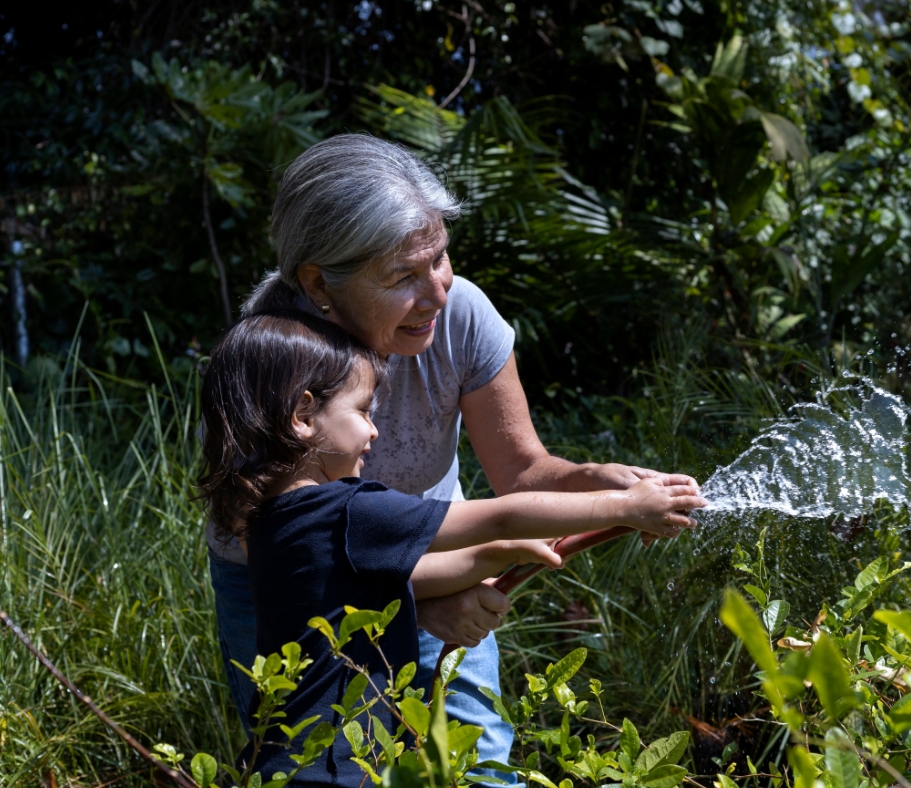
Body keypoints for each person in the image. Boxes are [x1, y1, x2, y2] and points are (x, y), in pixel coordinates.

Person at [208, 133, 699, 781]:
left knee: (477, 766)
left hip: (438, 565)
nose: (438, 292)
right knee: (325, 762)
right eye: (404, 277)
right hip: (295, 603)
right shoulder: (267, 363)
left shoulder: (459, 315)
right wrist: (409, 610)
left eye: (439, 258)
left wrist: (598, 483)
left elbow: (523, 475)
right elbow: (295, 561)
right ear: (319, 284)